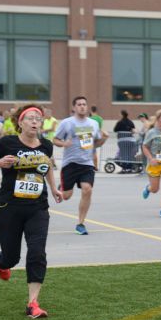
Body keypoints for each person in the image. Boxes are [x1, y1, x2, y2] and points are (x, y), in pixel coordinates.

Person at [0, 104, 63, 319]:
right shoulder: (8, 143)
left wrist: (53, 187)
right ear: (20, 122)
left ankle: (33, 303)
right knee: (11, 258)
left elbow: (48, 166)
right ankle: (1, 261)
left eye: (38, 119)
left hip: (37, 208)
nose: (35, 122)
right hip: (8, 207)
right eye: (30, 118)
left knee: (37, 252)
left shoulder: (46, 146)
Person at [53, 96, 103, 235]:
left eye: (84, 104)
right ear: (74, 107)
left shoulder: (93, 124)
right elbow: (55, 139)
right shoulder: (67, 123)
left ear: (87, 107)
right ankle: (62, 187)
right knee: (67, 196)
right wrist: (64, 144)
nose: (82, 106)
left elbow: (96, 143)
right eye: (79, 104)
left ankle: (80, 223)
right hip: (70, 164)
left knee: (87, 189)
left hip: (87, 164)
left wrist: (102, 139)